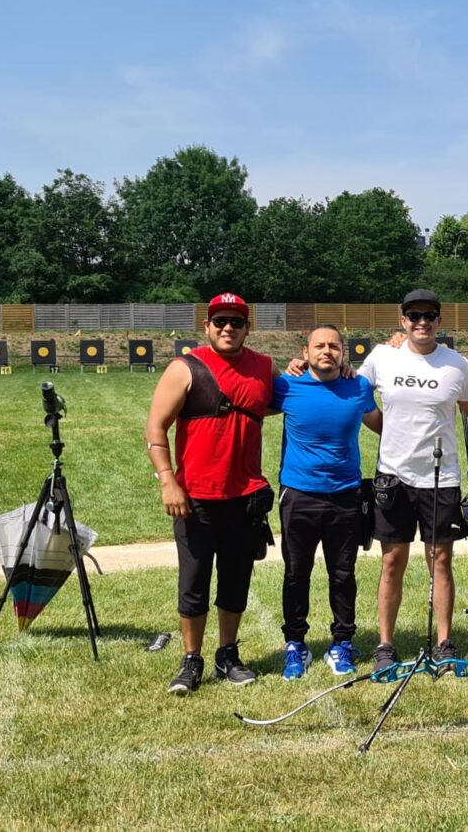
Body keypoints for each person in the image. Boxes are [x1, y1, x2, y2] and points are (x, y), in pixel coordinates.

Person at [145, 293, 275, 695]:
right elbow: (155, 428)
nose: (228, 328)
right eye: (220, 320)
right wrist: (169, 480)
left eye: (236, 322)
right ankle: (191, 659)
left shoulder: (264, 368)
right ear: (207, 326)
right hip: (195, 497)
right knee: (194, 581)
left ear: (247, 328)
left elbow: (290, 396)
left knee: (236, 580)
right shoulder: (186, 367)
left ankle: (228, 654)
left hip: (245, 495)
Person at [358, 289, 468, 673]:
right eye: (414, 316)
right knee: (392, 561)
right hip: (393, 476)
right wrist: (387, 429)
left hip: (440, 478)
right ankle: (385, 644)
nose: (422, 322)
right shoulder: (382, 357)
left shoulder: (455, 365)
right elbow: (354, 394)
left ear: (439, 321)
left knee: (440, 560)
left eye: (429, 315)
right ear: (403, 319)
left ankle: (444, 642)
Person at [269, 324, 382, 680]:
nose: (327, 351)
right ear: (306, 352)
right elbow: (246, 409)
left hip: (346, 494)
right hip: (299, 494)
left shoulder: (358, 387)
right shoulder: (287, 385)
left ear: (344, 353)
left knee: (343, 574)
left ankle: (342, 643)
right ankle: (295, 645)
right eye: (319, 346)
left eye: (334, 346)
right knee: (296, 573)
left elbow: (383, 425)